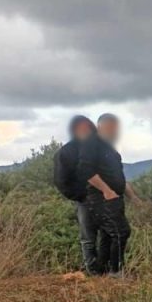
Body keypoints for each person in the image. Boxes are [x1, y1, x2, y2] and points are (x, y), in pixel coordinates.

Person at [77, 113, 131, 275]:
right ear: (101, 126)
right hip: (101, 198)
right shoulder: (91, 144)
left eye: (116, 128)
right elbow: (85, 171)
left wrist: (133, 197)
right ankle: (116, 272)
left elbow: (118, 176)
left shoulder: (110, 149)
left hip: (115, 198)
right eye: (111, 127)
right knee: (120, 232)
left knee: (108, 234)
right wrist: (106, 191)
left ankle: (103, 270)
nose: (115, 131)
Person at [53, 115, 100, 273]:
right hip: (85, 200)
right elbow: (61, 180)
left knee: (110, 235)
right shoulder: (66, 152)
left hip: (108, 200)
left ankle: (109, 271)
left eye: (88, 127)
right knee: (88, 238)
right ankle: (93, 272)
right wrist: (81, 196)